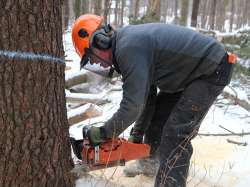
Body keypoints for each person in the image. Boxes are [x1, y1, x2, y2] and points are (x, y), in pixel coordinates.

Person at [71, 14, 235, 187]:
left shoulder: (128, 48)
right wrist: (137, 134)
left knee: (176, 133)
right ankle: (149, 165)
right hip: (189, 75)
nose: (99, 64)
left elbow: (132, 106)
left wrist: (104, 133)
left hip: (210, 70)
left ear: (100, 40)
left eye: (93, 57)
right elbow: (145, 100)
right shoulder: (127, 46)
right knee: (157, 120)